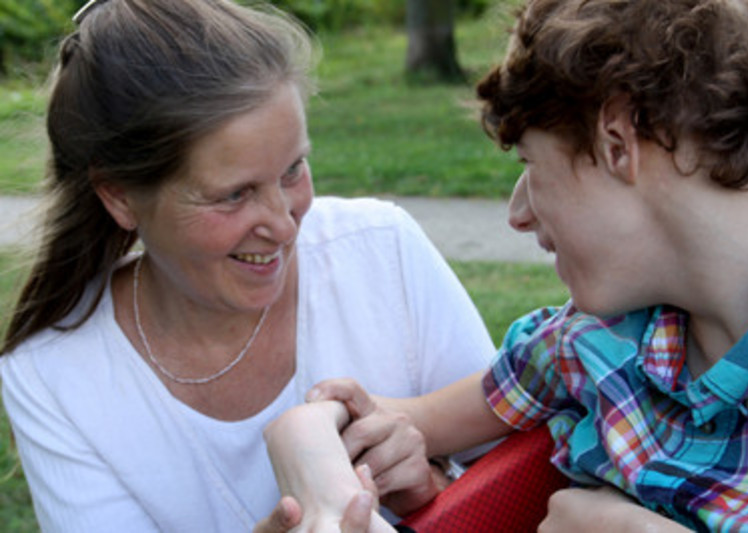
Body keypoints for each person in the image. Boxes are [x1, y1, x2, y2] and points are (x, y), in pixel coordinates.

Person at [265, 0, 748, 530]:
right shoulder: (588, 342)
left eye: (529, 163)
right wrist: (314, 451)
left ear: (615, 142)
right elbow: (367, 423)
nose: (518, 214)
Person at [0, 1, 497, 531]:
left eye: (292, 170)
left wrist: (431, 493)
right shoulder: (53, 372)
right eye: (234, 195)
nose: (284, 226)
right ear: (119, 196)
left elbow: (533, 474)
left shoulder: (381, 251)